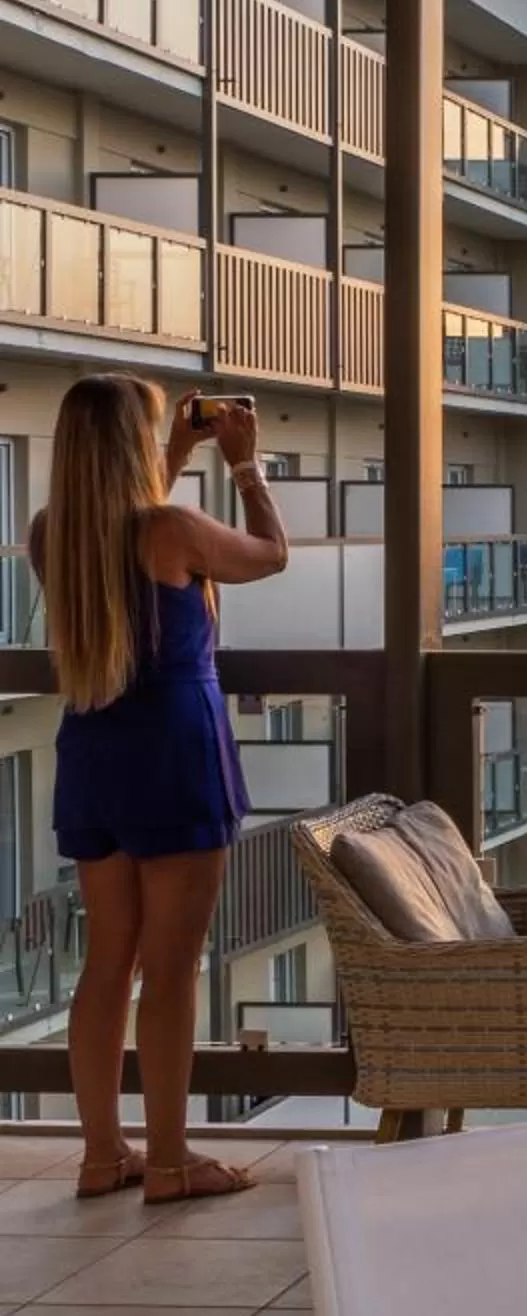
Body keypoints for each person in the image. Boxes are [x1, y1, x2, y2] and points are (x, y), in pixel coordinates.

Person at [31, 377, 287, 1203]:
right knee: (173, 970)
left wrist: (175, 454)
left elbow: (124, 532)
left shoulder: (52, 536)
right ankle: (172, 1162)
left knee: (108, 961)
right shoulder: (172, 531)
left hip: (94, 757)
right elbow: (269, 555)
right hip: (174, 757)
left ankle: (103, 1154)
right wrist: (245, 468)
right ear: (132, 445)